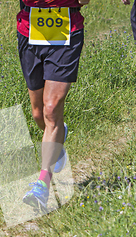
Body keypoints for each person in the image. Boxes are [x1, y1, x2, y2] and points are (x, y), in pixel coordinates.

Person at [17, 0, 89, 211]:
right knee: (38, 114)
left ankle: (42, 183)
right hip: (29, 29)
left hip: (67, 29)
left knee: (51, 108)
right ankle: (58, 138)